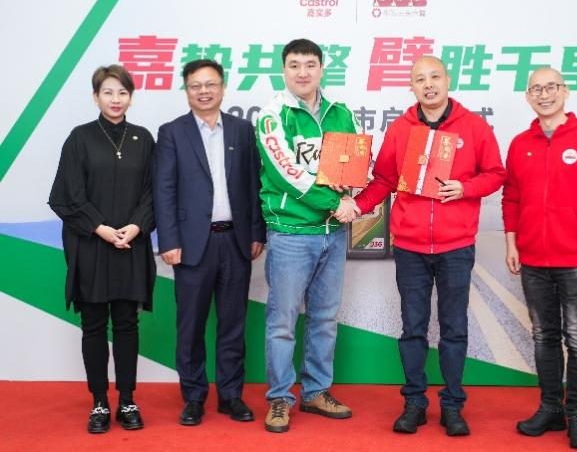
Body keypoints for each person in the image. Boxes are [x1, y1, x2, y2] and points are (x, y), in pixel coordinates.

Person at [348, 55, 506, 436]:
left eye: (435, 76)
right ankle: (415, 403)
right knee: (413, 328)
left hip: (456, 246)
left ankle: (452, 405)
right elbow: (384, 179)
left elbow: (496, 174)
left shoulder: (474, 127)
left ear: (448, 80)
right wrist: (356, 206)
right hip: (411, 246)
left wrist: (466, 188)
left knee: (454, 328)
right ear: (412, 87)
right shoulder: (401, 129)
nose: (429, 84)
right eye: (420, 79)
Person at [502, 67, 577, 449]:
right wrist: (512, 243)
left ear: (564, 91)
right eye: (536, 89)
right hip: (533, 260)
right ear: (528, 96)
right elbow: (511, 197)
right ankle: (550, 407)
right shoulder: (521, 143)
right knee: (544, 336)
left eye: (551, 87)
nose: (544, 94)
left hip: (576, 261)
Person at [254, 38, 360, 433]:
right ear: (284, 70)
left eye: (310, 64)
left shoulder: (341, 112)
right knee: (282, 321)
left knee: (325, 319)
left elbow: (353, 165)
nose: (303, 72)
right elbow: (287, 173)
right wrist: (334, 202)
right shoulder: (272, 115)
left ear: (321, 69)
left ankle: (316, 391)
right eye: (295, 65)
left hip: (333, 235)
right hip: (291, 233)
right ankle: (280, 398)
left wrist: (350, 196)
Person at [152, 59, 266, 426]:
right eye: (196, 85)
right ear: (187, 90)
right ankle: (194, 397)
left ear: (223, 87)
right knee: (191, 327)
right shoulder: (172, 132)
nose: (204, 91)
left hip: (235, 241)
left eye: (210, 84)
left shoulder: (242, 130)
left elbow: (254, 185)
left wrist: (256, 232)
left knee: (233, 325)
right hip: (190, 245)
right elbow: (163, 190)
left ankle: (231, 396)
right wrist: (168, 240)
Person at [49, 64, 156, 433]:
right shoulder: (79, 138)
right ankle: (98, 402)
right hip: (91, 245)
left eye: (123, 92)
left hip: (131, 244)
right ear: (96, 97)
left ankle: (127, 400)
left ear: (131, 97)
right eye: (108, 92)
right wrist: (101, 228)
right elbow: (66, 195)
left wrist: (136, 226)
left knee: (127, 324)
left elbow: (154, 192)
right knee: (93, 326)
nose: (116, 99)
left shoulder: (143, 138)